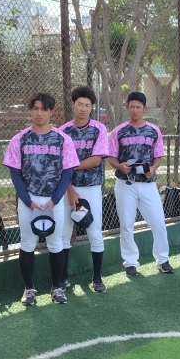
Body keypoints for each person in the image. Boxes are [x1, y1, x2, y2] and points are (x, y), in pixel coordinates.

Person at [3, 92, 79, 305]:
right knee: (28, 242)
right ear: (30, 110)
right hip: (30, 201)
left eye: (44, 109)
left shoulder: (63, 139)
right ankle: (29, 290)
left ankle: (57, 288)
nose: (39, 113)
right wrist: (28, 201)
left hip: (54, 201)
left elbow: (67, 173)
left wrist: (55, 199)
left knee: (55, 242)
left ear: (51, 112)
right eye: (35, 108)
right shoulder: (20, 139)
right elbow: (15, 174)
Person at [107, 92, 174, 276]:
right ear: (126, 107)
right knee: (127, 224)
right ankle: (130, 262)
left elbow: (158, 156)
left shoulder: (153, 130)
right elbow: (111, 157)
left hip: (147, 183)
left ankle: (162, 259)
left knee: (158, 222)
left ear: (144, 109)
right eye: (132, 106)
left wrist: (152, 168)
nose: (135, 110)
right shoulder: (118, 131)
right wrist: (119, 165)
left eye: (138, 107)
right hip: (125, 182)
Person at [60, 86, 110, 293]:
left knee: (93, 230)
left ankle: (97, 278)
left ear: (92, 107)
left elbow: (96, 159)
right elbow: (60, 164)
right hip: (68, 189)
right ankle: (62, 278)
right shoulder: (63, 131)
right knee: (64, 233)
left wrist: (71, 165)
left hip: (89, 189)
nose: (83, 108)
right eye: (79, 104)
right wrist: (69, 188)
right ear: (73, 104)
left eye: (87, 105)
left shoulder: (98, 128)